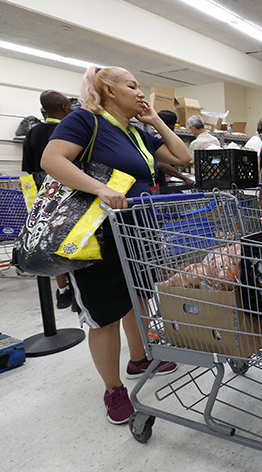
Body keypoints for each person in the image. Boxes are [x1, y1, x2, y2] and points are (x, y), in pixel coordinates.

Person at [40, 66, 192, 424]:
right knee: (104, 315)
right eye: (133, 86)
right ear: (108, 89)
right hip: (96, 235)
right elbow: (51, 160)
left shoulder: (138, 132)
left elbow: (183, 157)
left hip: (137, 232)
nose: (141, 93)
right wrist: (101, 188)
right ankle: (113, 390)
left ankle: (139, 359)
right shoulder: (84, 121)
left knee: (136, 298)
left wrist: (155, 120)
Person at [22, 89, 75, 309]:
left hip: (42, 198)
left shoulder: (32, 133)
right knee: (72, 239)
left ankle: (62, 291)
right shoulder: (70, 130)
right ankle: (77, 288)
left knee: (49, 242)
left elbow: (26, 170)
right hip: (70, 194)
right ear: (64, 107)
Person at [154, 110, 194, 192]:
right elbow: (161, 164)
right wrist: (184, 178)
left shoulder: (155, 136)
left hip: (160, 182)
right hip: (155, 185)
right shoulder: (158, 139)